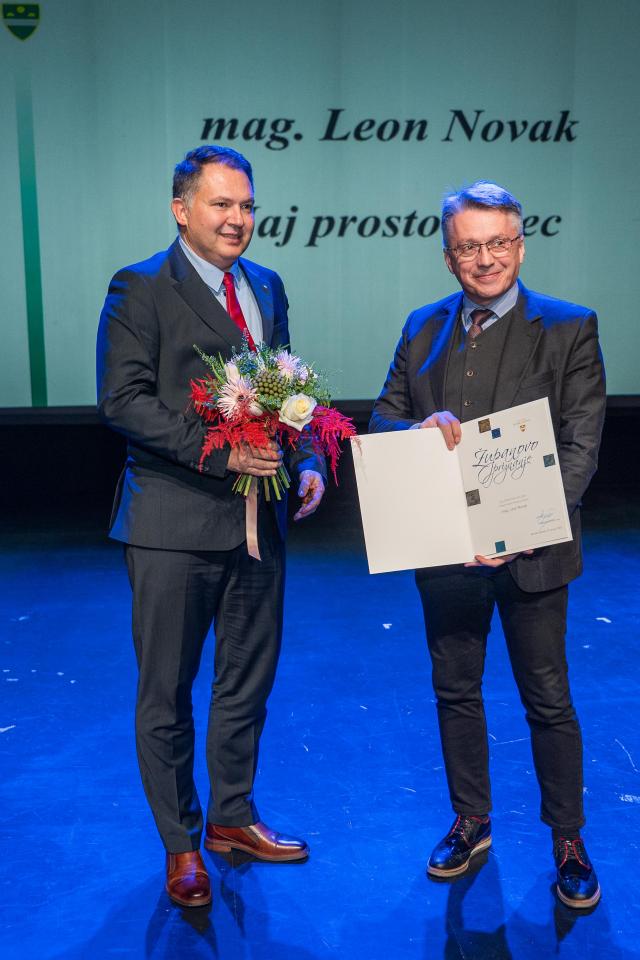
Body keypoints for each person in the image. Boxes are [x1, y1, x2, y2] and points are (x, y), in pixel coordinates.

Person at [97, 145, 325, 908]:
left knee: (247, 681)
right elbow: (123, 401)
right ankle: (181, 846)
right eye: (221, 204)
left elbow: (285, 388)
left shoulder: (267, 285)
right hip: (172, 522)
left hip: (260, 520)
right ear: (181, 209)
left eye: (246, 205)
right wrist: (220, 451)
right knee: (166, 692)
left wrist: (308, 457)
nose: (237, 219)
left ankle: (232, 817)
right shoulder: (139, 287)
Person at [370, 181, 605, 909]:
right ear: (449, 257)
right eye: (469, 246)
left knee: (548, 698)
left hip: (534, 556)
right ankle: (471, 819)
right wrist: (413, 429)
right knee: (455, 690)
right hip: (446, 551)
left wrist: (520, 531)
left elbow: (581, 447)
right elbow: (383, 418)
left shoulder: (568, 327)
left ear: (521, 246)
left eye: (498, 242)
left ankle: (568, 838)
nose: (486, 258)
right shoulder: (422, 326)